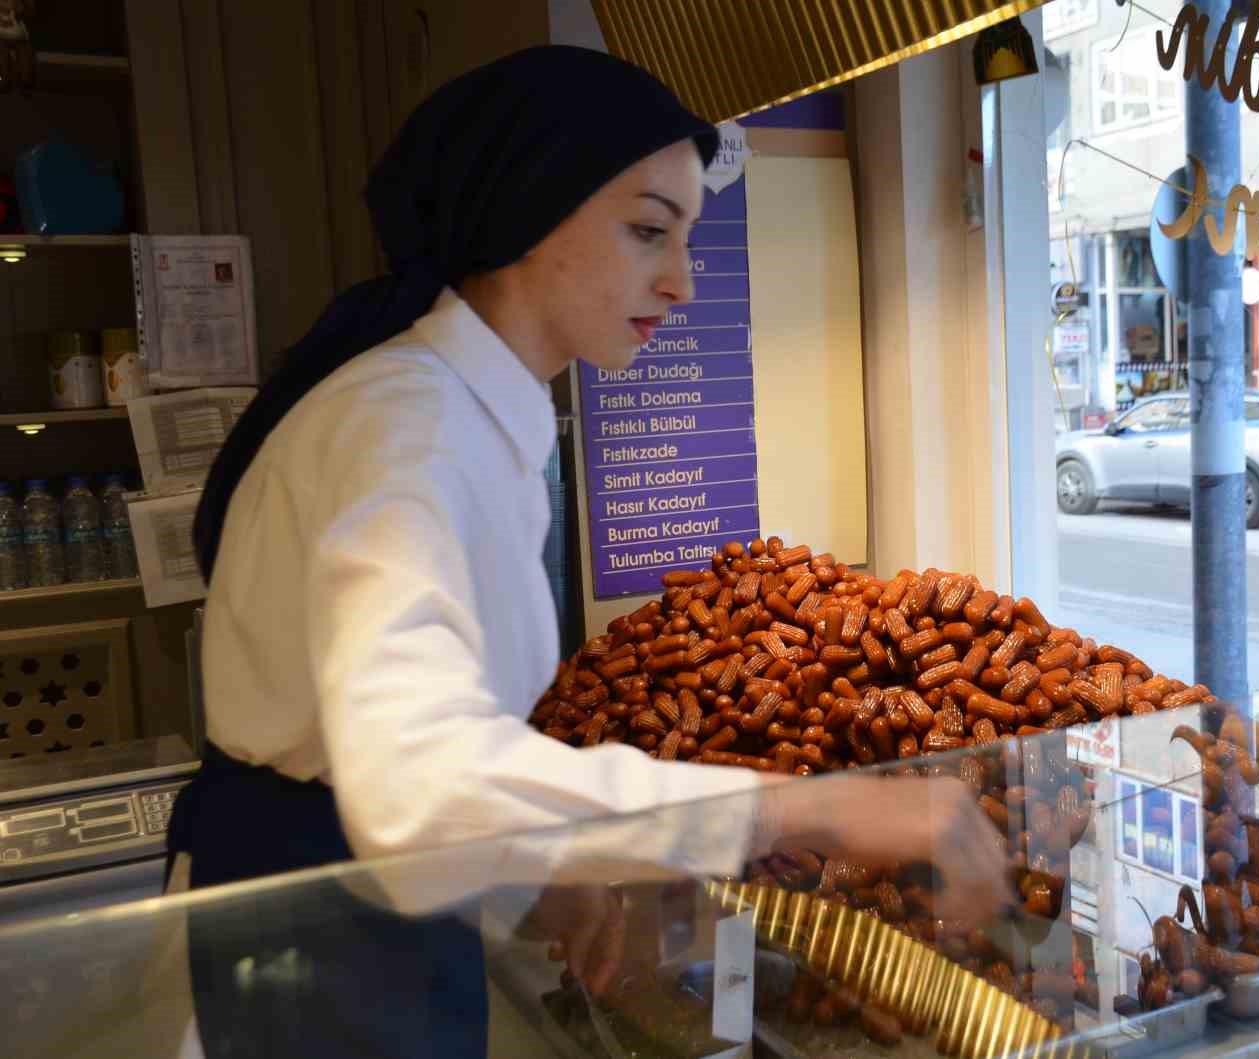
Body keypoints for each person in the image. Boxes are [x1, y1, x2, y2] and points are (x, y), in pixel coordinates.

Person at [171, 46, 1009, 1057]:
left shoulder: (474, 412)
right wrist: (808, 807)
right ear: (524, 210)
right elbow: (419, 781)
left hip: (364, 898)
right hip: (316, 921)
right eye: (649, 230)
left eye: (687, 237)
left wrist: (546, 874)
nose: (681, 281)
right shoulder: (408, 428)